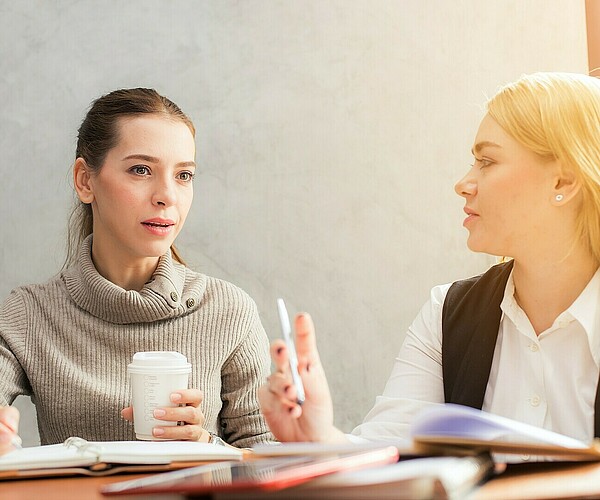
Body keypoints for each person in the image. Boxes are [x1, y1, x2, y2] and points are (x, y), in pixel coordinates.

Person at [259, 72, 600, 448]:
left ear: (563, 183)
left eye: (487, 161)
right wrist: (320, 438)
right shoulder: (447, 311)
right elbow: (391, 451)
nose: (463, 183)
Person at [0, 88, 273, 455]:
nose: (167, 196)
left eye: (184, 175)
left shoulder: (229, 311)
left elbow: (273, 466)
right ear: (85, 180)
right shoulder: (29, 314)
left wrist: (207, 444)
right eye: (141, 170)